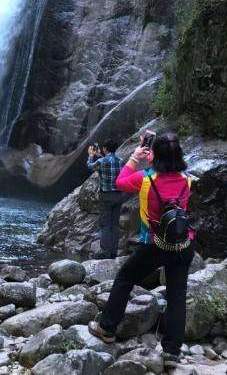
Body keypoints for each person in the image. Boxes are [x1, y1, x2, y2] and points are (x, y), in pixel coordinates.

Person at [89, 133, 194, 367]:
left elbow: (120, 182)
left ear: (155, 154)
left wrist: (135, 158)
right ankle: (172, 352)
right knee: (177, 294)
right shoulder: (187, 178)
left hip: (154, 245)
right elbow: (169, 185)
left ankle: (107, 327)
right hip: (183, 243)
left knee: (125, 278)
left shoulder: (145, 179)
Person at [87, 139, 126, 259]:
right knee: (114, 224)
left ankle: (105, 252)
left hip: (106, 196)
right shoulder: (121, 160)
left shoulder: (101, 161)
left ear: (105, 149)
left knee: (105, 224)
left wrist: (90, 156)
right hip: (119, 195)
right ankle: (114, 252)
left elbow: (90, 167)